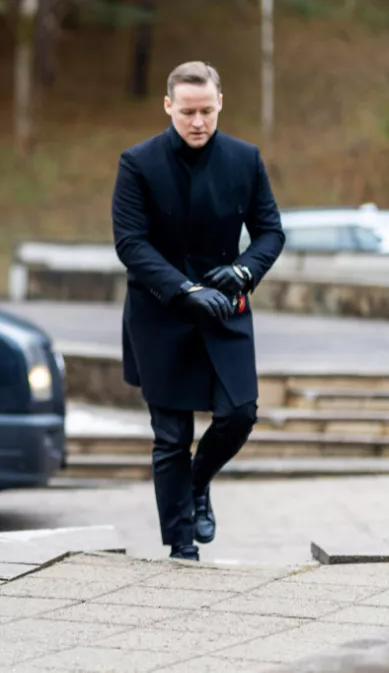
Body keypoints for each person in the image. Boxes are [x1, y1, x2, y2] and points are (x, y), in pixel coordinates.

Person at [111, 61, 285, 561]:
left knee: (240, 413)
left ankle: (198, 482)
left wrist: (246, 270)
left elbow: (271, 232)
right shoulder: (137, 163)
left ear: (220, 104)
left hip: (226, 307)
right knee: (171, 436)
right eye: (187, 111)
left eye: (207, 110)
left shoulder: (245, 160)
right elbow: (131, 244)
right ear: (168, 106)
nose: (198, 122)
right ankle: (182, 547)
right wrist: (184, 289)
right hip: (159, 314)